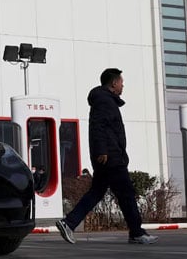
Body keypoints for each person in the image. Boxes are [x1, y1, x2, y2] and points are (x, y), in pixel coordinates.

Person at [55, 68, 158, 245]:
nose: (123, 85)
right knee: (126, 194)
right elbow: (98, 127)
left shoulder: (105, 100)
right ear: (113, 83)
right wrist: (103, 151)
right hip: (111, 157)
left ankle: (69, 223)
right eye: (121, 82)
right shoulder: (104, 101)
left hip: (108, 156)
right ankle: (137, 233)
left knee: (97, 192)